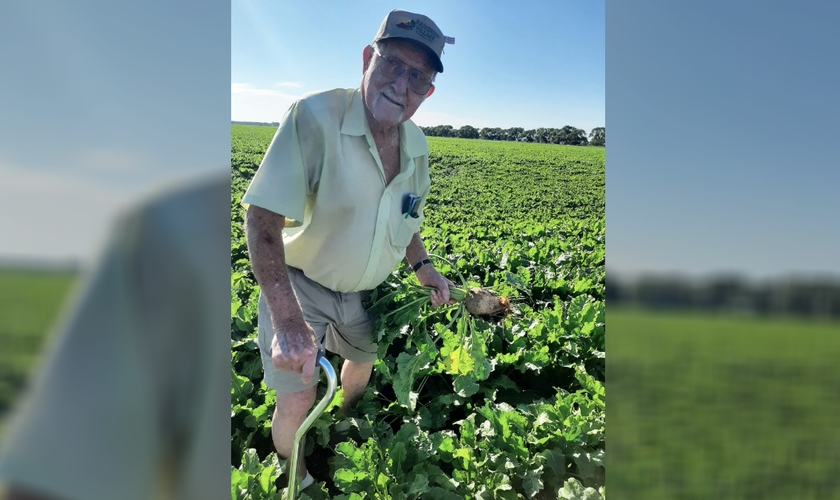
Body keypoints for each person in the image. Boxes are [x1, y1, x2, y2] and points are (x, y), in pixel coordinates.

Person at [241, 9, 455, 488]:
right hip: (303, 289)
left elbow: (407, 215)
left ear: (429, 92)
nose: (401, 84)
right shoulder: (314, 117)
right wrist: (288, 321)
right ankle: (296, 474)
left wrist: (423, 267)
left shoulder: (417, 146)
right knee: (297, 396)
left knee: (360, 364)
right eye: (392, 65)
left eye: (418, 76)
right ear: (366, 59)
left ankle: (344, 424)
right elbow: (261, 218)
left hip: (364, 294)